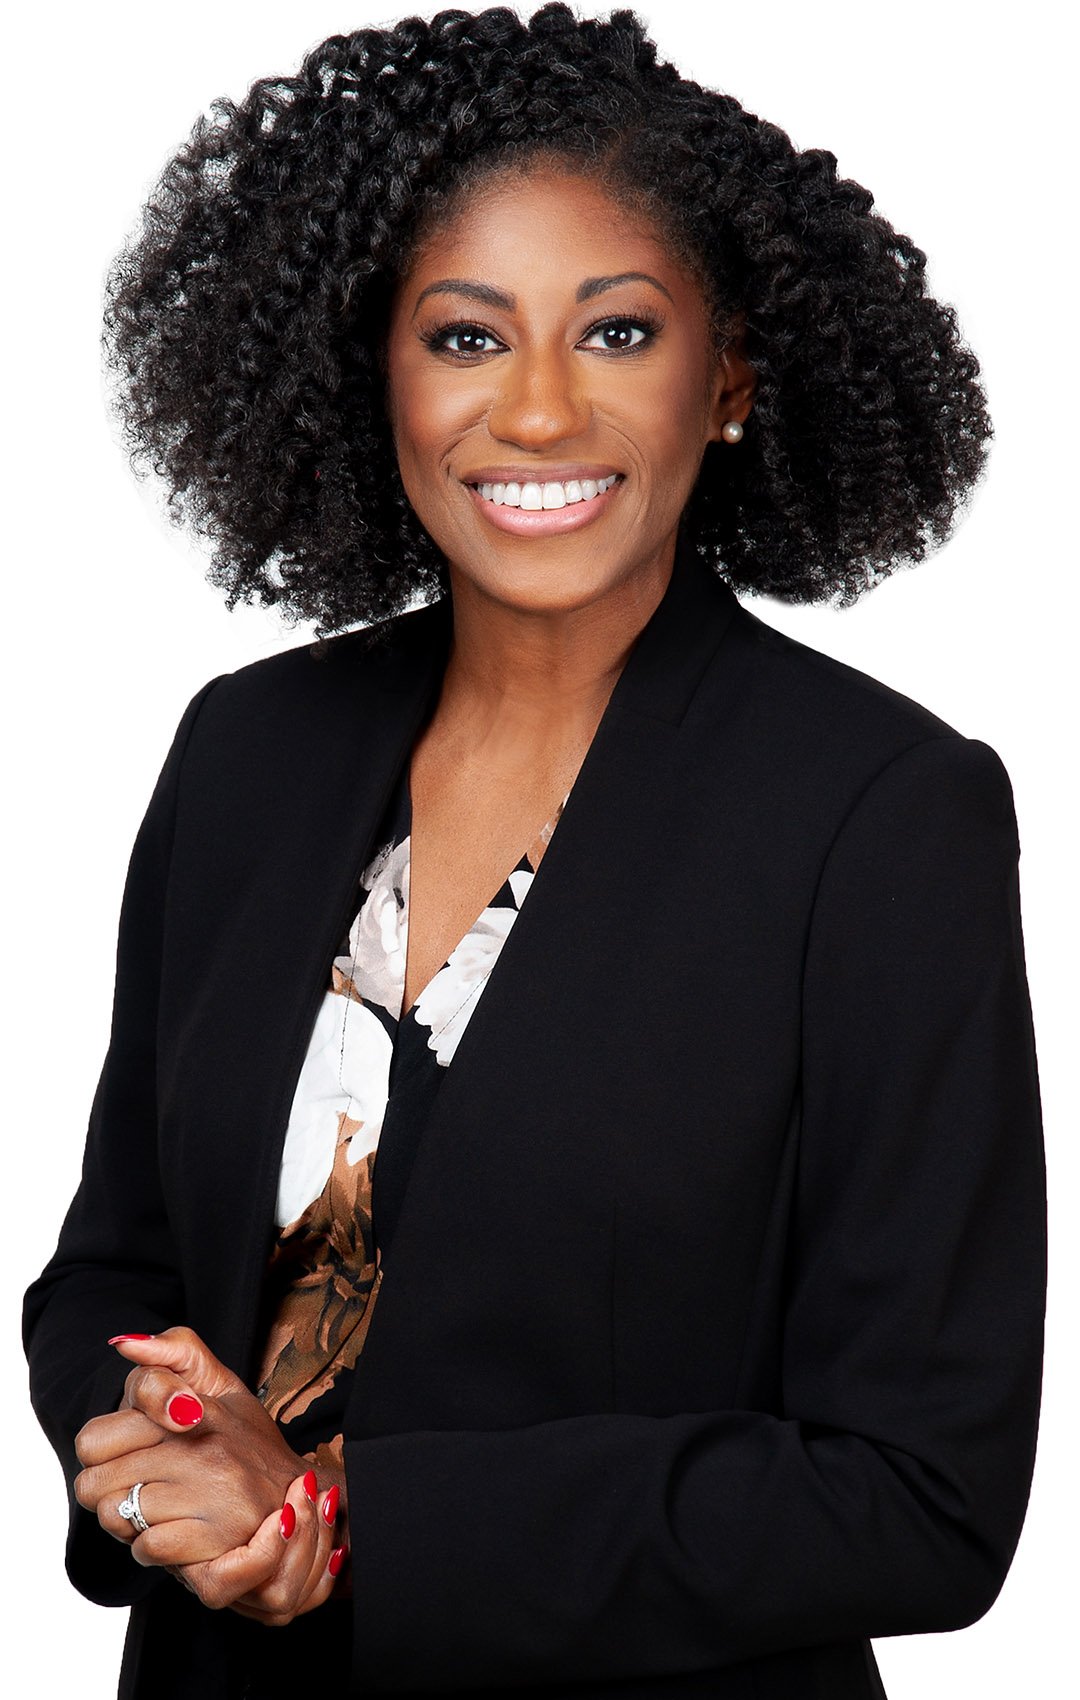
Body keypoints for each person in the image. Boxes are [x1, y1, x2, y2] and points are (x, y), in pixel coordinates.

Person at [22, 6, 1046, 1698]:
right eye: (470, 337)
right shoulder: (246, 755)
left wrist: (353, 1525)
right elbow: (115, 1265)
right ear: (381, 373)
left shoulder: (881, 816)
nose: (547, 413)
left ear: (730, 379)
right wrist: (162, 1454)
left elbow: (923, 1493)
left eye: (621, 332)